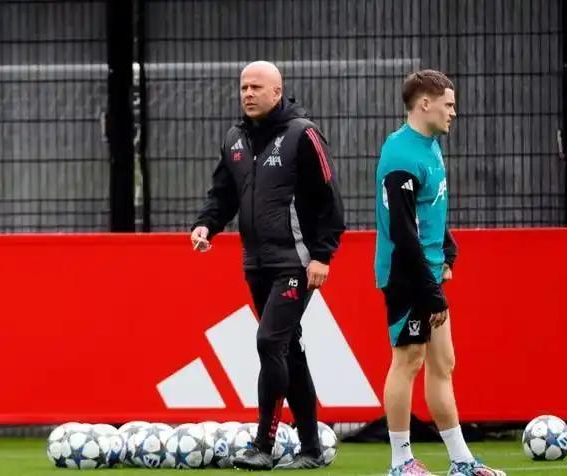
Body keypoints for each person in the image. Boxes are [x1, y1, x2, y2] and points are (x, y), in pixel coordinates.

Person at [191, 61, 345, 470]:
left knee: (269, 342)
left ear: (277, 92)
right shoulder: (235, 138)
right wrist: (206, 224)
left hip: (295, 262)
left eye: (256, 87)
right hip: (256, 263)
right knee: (288, 349)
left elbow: (330, 200)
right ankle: (311, 451)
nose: (248, 94)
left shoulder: (302, 134)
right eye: (244, 87)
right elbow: (223, 193)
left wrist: (323, 255)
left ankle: (263, 444)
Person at [374, 70, 506, 476]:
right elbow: (402, 231)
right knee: (408, 360)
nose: (454, 112)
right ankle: (400, 462)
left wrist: (447, 245)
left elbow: (427, 209)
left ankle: (461, 461)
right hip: (407, 273)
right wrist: (429, 291)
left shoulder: (429, 146)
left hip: (429, 272)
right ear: (425, 104)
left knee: (443, 363)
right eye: (448, 104)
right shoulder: (401, 154)